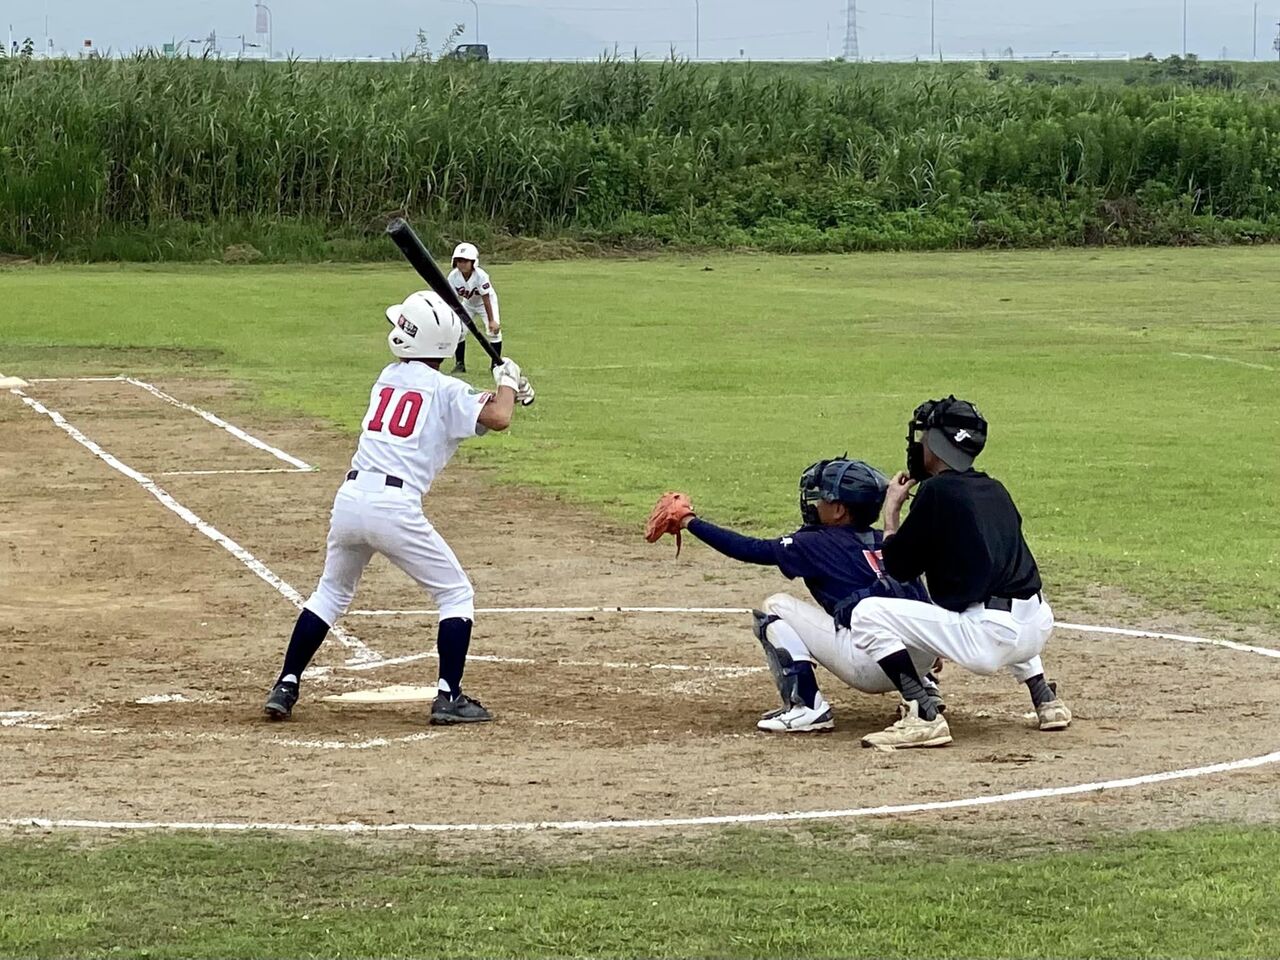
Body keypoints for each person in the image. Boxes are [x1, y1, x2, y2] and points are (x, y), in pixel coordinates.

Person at [263, 289, 529, 725]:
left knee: (330, 593)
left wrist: (507, 390)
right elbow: (497, 417)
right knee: (455, 594)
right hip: (395, 507)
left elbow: (471, 403)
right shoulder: (446, 390)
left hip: (350, 500)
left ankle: (286, 684)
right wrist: (508, 383)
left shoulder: (388, 376)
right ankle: (449, 696)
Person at [844, 396, 1072, 751]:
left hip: (989, 640)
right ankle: (1045, 698)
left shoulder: (936, 491)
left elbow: (899, 567)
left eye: (925, 436)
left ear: (937, 444)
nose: (920, 444)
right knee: (1005, 588)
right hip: (1037, 627)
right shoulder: (994, 489)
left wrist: (891, 515)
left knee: (867, 614)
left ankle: (923, 715)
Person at [646, 459, 937, 733]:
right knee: (887, 602)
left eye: (823, 499)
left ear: (839, 510)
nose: (815, 504)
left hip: (871, 666)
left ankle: (807, 706)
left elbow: (748, 549)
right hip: (921, 655)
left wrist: (689, 521)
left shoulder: (814, 542)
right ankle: (922, 690)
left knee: (775, 607)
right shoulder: (887, 541)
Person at [446, 242, 501, 373]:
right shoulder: (453, 277)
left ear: (473, 262)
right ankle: (460, 364)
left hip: (485, 303)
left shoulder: (481, 275)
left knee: (493, 332)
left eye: (466, 261)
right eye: (459, 261)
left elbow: (486, 298)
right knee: (459, 331)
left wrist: (491, 320)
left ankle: (495, 364)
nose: (462, 264)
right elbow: (452, 299)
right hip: (468, 304)